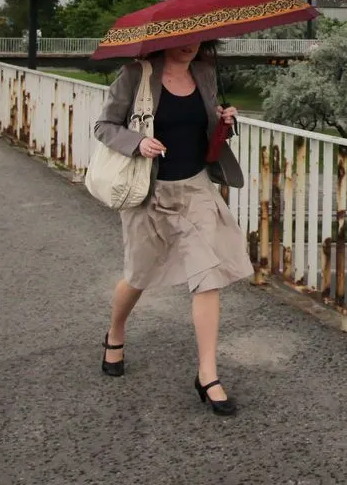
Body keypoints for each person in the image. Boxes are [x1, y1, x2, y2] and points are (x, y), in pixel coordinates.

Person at [93, 41, 252, 416]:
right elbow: (104, 126)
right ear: (165, 40)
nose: (188, 48)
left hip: (195, 188)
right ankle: (115, 334)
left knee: (207, 275)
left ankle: (208, 374)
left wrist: (225, 123)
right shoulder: (136, 74)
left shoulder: (205, 74)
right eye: (181, 41)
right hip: (149, 191)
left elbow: (206, 132)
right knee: (138, 274)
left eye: (196, 41)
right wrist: (138, 142)